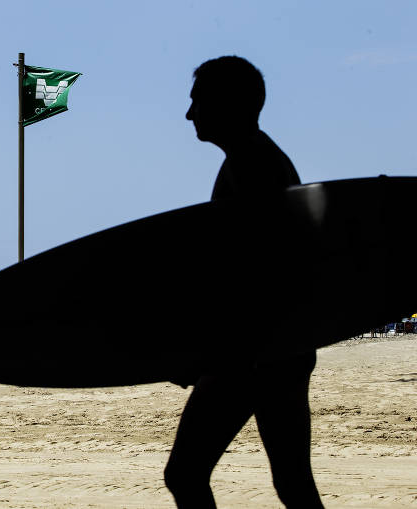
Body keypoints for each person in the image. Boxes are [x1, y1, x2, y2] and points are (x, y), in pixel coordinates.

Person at [163, 56, 324, 509]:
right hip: (282, 349)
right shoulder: (254, 158)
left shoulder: (253, 166)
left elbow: (251, 279)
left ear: (226, 103)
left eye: (197, 102)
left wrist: (201, 352)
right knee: (293, 482)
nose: (190, 114)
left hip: (252, 355)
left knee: (185, 473)